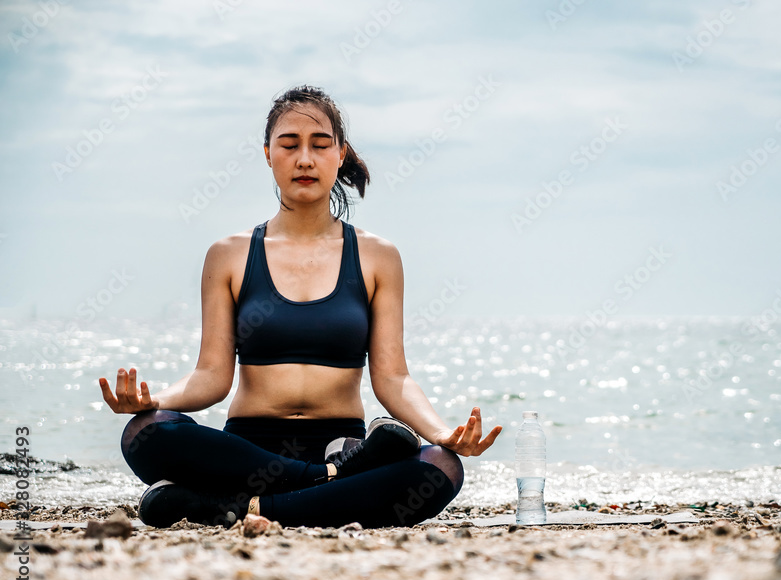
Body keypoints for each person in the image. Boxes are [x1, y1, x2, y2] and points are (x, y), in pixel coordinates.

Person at [98, 84, 501, 529]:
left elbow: (393, 377)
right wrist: (154, 400)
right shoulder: (228, 255)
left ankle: (237, 508)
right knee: (145, 432)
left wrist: (441, 432)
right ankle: (330, 481)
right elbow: (211, 376)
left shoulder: (378, 256)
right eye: (289, 145)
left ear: (341, 154)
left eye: (320, 145)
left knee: (441, 466)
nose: (305, 159)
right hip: (248, 451)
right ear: (268, 154)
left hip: (340, 439)